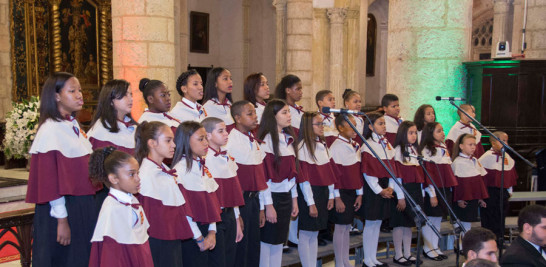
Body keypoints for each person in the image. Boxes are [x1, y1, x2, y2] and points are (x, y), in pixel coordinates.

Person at [26, 72, 100, 267]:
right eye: (72, 91)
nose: (79, 95)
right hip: (62, 211)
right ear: (57, 96)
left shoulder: (72, 125)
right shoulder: (50, 130)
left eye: (80, 90)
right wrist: (62, 221)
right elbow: (50, 182)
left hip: (81, 206)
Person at [134, 121, 202, 266]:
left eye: (173, 140)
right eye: (168, 140)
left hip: (170, 237)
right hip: (158, 240)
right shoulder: (145, 174)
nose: (174, 145)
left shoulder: (164, 169)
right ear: (152, 143)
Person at [88, 147, 153, 267]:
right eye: (131, 174)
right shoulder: (112, 208)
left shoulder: (132, 199)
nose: (138, 178)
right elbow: (112, 256)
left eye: (137, 173)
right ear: (114, 178)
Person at [257, 99, 303, 267]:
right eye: (284, 112)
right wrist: (268, 206)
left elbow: (292, 176)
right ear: (272, 116)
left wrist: (294, 199)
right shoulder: (266, 141)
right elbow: (265, 179)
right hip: (270, 198)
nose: (289, 115)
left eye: (289, 112)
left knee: (278, 242)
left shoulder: (288, 139)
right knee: (267, 242)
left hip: (285, 196)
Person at [172, 121, 223, 266]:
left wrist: (212, 232)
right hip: (193, 235)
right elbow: (185, 212)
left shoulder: (201, 166)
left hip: (207, 231)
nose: (206, 143)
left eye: (206, 138)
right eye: (200, 139)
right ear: (186, 141)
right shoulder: (180, 170)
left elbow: (212, 203)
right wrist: (200, 238)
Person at [226, 100, 268, 267]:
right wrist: (237, 215)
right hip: (240, 200)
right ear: (237, 118)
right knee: (240, 248)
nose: (254, 117)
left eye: (255, 113)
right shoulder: (231, 142)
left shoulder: (252, 139)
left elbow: (260, 178)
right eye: (249, 114)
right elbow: (232, 180)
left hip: (254, 199)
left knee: (253, 245)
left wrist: (262, 207)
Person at [203, 117, 245, 267]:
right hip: (215, 217)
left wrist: (236, 217)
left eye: (226, 130)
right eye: (220, 131)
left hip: (229, 215)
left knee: (230, 258)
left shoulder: (227, 156)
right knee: (218, 261)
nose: (226, 134)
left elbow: (232, 194)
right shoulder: (205, 159)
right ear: (207, 135)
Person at [296, 112, 337, 267]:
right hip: (309, 194)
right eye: (318, 124)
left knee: (315, 233)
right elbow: (304, 180)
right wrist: (310, 203)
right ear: (307, 126)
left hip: (322, 193)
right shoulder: (302, 147)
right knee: (306, 233)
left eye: (322, 124)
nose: (322, 127)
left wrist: (331, 196)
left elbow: (330, 175)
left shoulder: (322, 145)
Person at [360, 112, 396, 267]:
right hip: (373, 190)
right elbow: (368, 172)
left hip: (386, 187)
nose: (384, 126)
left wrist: (391, 187)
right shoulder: (367, 145)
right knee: (370, 223)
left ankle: (373, 257)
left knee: (378, 224)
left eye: (384, 123)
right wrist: (380, 190)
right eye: (380, 123)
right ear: (370, 126)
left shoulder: (387, 144)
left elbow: (393, 168)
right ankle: (367, 259)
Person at [418, 122, 457, 261]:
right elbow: (428, 174)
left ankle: (435, 246)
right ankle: (427, 247)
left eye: (442, 130)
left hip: (444, 188)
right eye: (439, 131)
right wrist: (432, 194)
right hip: (433, 190)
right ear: (430, 134)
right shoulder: (427, 150)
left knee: (438, 219)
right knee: (430, 219)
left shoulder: (443, 147)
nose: (443, 133)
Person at [391, 121, 427, 266]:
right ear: (402, 134)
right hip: (403, 191)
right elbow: (397, 176)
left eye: (414, 133)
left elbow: (419, 176)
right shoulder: (398, 150)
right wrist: (400, 197)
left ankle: (407, 253)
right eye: (410, 133)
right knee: (400, 224)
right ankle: (398, 254)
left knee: (409, 224)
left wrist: (422, 193)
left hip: (415, 191)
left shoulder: (415, 151)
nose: (413, 136)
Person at [329, 114, 363, 267]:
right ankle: (339, 261)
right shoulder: (336, 147)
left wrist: (359, 193)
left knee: (346, 227)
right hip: (341, 193)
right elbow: (334, 176)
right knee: (340, 227)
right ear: (341, 128)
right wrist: (337, 197)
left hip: (351, 191)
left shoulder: (354, 145)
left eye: (356, 124)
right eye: (351, 125)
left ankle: (345, 260)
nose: (355, 128)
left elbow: (356, 172)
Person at [451, 133, 489, 249]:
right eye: (470, 144)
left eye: (474, 144)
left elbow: (478, 181)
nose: (473, 147)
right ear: (461, 146)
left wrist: (480, 197)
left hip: (472, 197)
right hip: (462, 199)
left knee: (468, 223)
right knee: (461, 223)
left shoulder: (474, 160)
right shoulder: (458, 162)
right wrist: (459, 199)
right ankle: (461, 246)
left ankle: (464, 246)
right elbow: (457, 184)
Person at [479, 131, 518, 240]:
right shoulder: (486, 157)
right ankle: (488, 240)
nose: (506, 143)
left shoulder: (507, 157)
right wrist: (481, 196)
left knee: (501, 217)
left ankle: (500, 239)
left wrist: (509, 191)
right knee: (489, 217)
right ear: (493, 143)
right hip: (489, 192)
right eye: (503, 141)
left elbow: (510, 176)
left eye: (507, 141)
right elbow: (480, 178)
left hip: (502, 192)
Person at [88, 79, 137, 154]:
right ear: (110, 100)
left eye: (131, 94)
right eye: (125, 95)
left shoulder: (134, 127)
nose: (131, 99)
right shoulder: (100, 132)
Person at [203, 67, 235, 132]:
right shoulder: (208, 107)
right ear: (215, 83)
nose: (230, 82)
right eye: (225, 79)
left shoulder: (231, 105)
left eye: (230, 78)